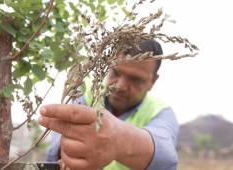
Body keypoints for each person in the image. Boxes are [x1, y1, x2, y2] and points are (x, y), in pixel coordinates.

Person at [39, 40, 179, 170]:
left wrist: (119, 141)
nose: (120, 86)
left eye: (135, 79)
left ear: (153, 81)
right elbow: (59, 142)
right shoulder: (84, 89)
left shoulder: (160, 111)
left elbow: (166, 157)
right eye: (115, 73)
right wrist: (66, 154)